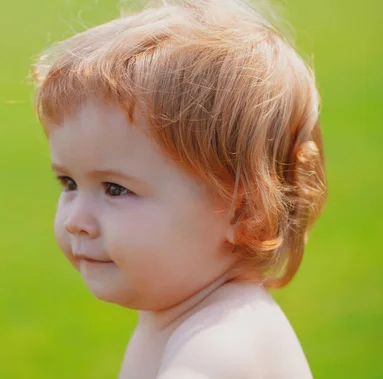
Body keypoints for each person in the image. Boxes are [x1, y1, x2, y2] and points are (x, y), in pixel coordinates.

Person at [31, 0, 327, 377]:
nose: (75, 221)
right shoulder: (181, 316)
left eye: (115, 189)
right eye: (69, 182)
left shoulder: (220, 347)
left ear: (243, 210)